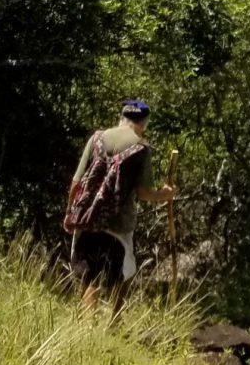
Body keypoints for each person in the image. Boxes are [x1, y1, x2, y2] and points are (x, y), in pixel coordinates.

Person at [66, 98, 176, 310]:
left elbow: (76, 183)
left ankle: (88, 327)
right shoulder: (141, 148)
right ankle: (115, 322)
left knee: (90, 274)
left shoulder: (96, 139)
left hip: (87, 217)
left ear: (122, 118)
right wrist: (165, 194)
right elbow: (144, 193)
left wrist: (70, 212)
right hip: (119, 223)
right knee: (125, 273)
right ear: (144, 123)